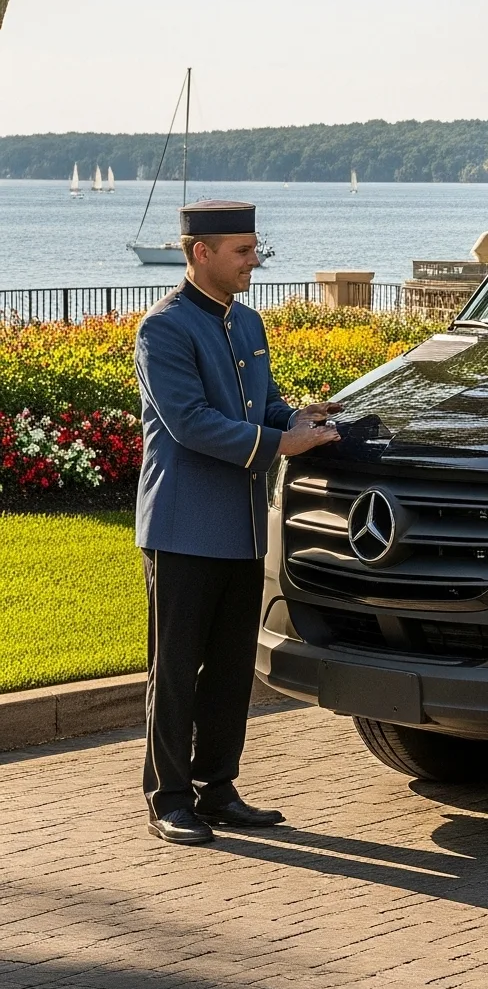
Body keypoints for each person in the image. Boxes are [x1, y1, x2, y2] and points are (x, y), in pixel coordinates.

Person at [133, 202, 339, 844]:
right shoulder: (163, 328)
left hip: (243, 527)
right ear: (201, 253)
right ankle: (169, 798)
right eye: (242, 251)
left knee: (228, 668)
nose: (255, 261)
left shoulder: (247, 321)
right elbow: (190, 423)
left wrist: (298, 419)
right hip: (183, 528)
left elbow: (263, 405)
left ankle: (217, 788)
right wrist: (281, 444)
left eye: (255, 249)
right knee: (176, 669)